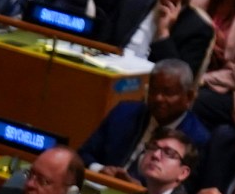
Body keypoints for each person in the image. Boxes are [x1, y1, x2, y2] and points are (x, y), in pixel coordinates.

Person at [81, 60, 209, 173]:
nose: (158, 98)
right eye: (153, 90)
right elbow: (84, 153)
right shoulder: (124, 112)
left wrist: (145, 190)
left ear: (189, 97)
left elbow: (185, 191)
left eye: (167, 93)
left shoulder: (197, 139)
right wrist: (99, 169)